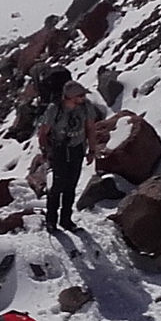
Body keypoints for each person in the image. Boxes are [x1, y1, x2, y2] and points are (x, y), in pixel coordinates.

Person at [35, 76, 106, 233]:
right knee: (57, 186)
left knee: (71, 185)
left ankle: (66, 220)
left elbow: (90, 129)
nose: (83, 98)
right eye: (80, 96)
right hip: (59, 150)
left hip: (77, 150)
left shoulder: (86, 107)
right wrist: (45, 150)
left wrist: (92, 150)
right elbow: (43, 132)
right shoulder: (55, 109)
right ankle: (51, 220)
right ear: (69, 97)